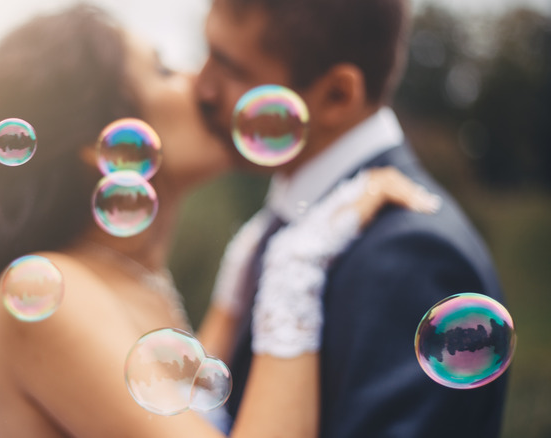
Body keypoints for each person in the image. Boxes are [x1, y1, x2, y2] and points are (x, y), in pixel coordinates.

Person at [0, 4, 440, 438]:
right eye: (162, 69)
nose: (200, 83)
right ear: (101, 142)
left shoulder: (127, 282)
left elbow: (185, 409)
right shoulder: (44, 300)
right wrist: (301, 261)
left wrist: (243, 271)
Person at [195, 0, 509, 437]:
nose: (202, 88)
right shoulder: (284, 226)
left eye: (231, 68)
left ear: (337, 95)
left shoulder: (414, 257)